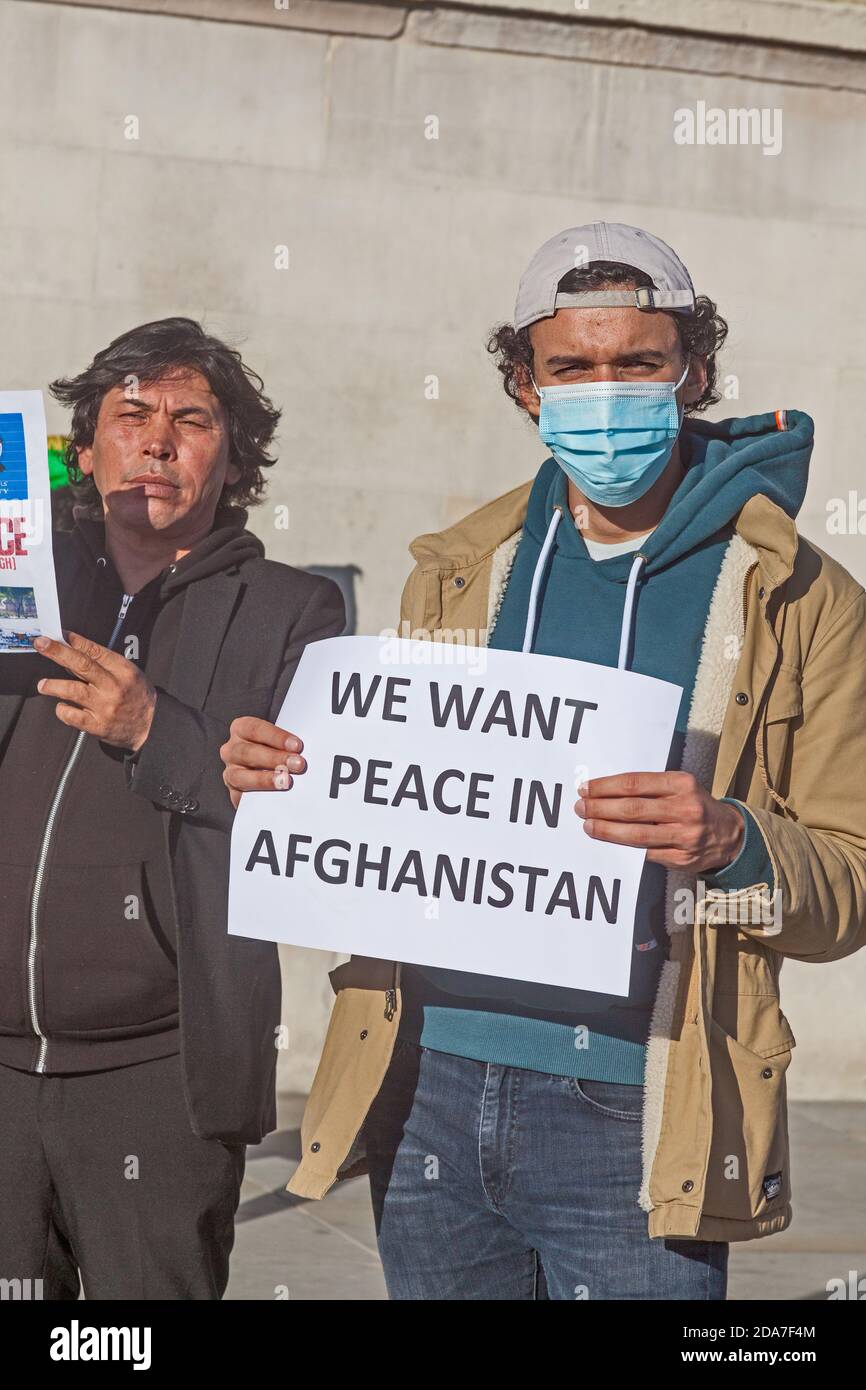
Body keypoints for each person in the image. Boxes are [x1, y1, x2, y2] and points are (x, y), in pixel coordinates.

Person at [221, 223, 866, 1300]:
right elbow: (407, 806)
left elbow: (846, 880)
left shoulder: (800, 598)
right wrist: (294, 778)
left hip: (639, 1102)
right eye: (570, 367)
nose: (602, 393)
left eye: (636, 363)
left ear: (693, 372)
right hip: (426, 1081)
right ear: (524, 384)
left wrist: (732, 840)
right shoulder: (461, 570)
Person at [0, 317, 344, 1299]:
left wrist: (156, 728)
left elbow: (309, 820)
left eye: (189, 421)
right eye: (130, 415)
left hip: (156, 1077)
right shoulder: (19, 581)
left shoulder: (292, 609)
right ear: (87, 443)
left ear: (233, 458)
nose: (154, 441)